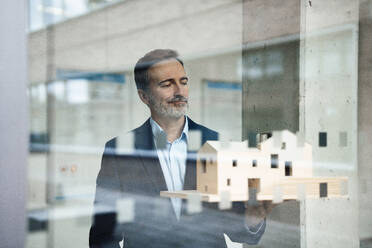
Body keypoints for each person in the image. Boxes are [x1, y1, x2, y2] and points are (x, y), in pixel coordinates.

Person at [89, 49, 273, 248]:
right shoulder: (119, 150)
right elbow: (103, 236)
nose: (179, 91)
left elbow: (242, 233)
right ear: (144, 96)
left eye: (183, 82)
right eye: (167, 84)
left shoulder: (217, 144)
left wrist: (253, 217)